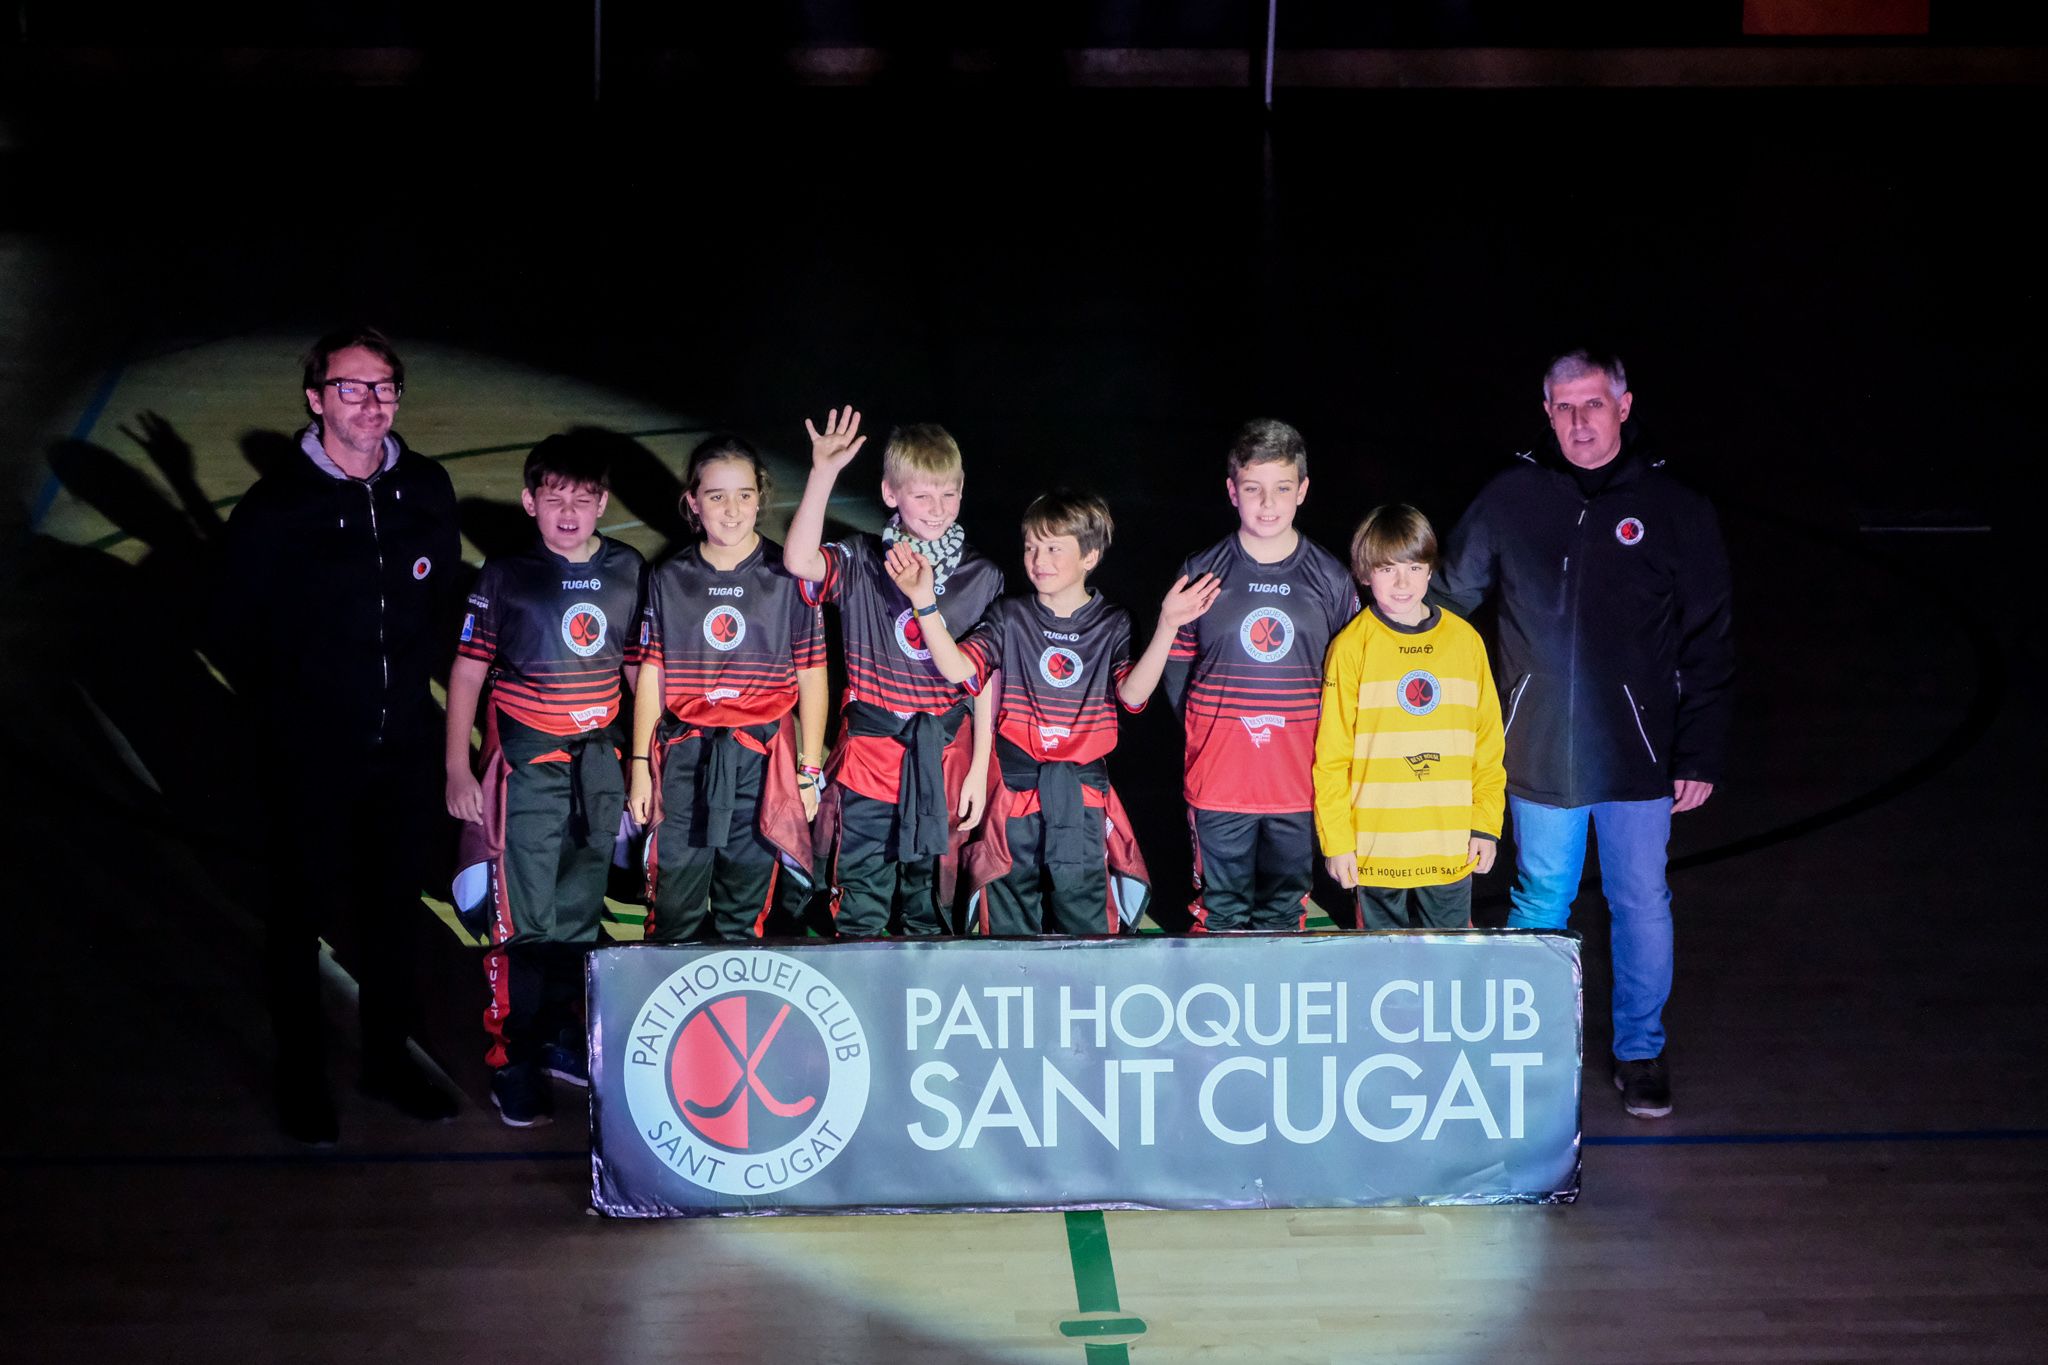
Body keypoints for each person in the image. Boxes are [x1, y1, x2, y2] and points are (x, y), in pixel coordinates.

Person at [1436, 348, 1734, 1119]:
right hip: (1538, 749)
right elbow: (1443, 604)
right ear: (1546, 412)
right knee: (1541, 895)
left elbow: (1709, 635)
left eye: (1593, 404)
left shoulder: (1674, 505)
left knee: (1640, 899)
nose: (1579, 421)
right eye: (1564, 407)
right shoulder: (1510, 497)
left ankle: (1640, 1050)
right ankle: (1530, 1046)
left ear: (1624, 406)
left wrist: (1700, 747)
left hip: (1640, 755)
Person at [219, 326, 461, 1144]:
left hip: (403, 749)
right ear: (315, 398)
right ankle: (302, 1077)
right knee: (299, 919)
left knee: (393, 911)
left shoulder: (426, 487)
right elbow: (232, 627)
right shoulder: (275, 508)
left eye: (384, 387)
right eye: (351, 387)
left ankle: (386, 1060)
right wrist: (294, 715)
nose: (371, 403)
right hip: (310, 756)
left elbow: (442, 602)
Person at [887, 490, 1220, 933]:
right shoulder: (1009, 616)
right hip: (1014, 798)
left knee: (1086, 930)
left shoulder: (1113, 622)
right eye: (1031, 547)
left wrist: (1168, 625)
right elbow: (959, 670)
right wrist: (924, 604)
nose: (1038, 560)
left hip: (1082, 801)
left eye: (1053, 548)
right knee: (1008, 929)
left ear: (1089, 557)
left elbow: (1133, 696)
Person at [444, 435, 645, 1128]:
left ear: (603, 504)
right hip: (527, 768)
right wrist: (457, 767)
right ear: (529, 501)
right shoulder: (506, 574)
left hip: (599, 768)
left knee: (579, 915)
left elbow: (635, 669)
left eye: (583, 499)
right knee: (523, 923)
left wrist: (647, 760)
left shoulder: (627, 568)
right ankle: (513, 1060)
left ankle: (561, 1035)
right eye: (554, 498)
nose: (568, 512)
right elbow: (468, 671)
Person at [782, 408, 1005, 937]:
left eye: (949, 494)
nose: (937, 508)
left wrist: (979, 767)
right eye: (922, 496)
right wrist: (823, 474)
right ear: (890, 493)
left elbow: (984, 682)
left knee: (930, 910)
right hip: (870, 763)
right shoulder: (861, 559)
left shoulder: (982, 575)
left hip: (944, 764)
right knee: (859, 908)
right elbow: (798, 561)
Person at [624, 435, 828, 945]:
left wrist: (809, 771)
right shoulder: (669, 576)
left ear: (760, 498)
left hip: (763, 762)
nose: (732, 510)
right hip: (684, 758)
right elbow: (652, 673)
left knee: (745, 913)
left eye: (744, 495)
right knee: (673, 912)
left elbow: (812, 674)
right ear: (693, 502)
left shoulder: (789, 575)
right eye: (716, 496)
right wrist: (641, 765)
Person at [1162, 419, 1359, 932]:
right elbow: (1176, 672)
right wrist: (1213, 731)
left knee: (1284, 914)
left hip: (1300, 782)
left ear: (1303, 491)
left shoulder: (1331, 578)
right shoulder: (1202, 570)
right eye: (1253, 489)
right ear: (1232, 491)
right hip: (1220, 779)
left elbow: (1348, 683)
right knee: (1221, 915)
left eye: (1282, 488)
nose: (1268, 504)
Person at [1313, 504, 1505, 930]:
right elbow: (1331, 757)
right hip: (1375, 851)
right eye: (1388, 569)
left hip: (1450, 846)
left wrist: (1485, 824)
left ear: (1431, 570)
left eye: (1415, 568)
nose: (1403, 583)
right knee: (1383, 964)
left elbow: (1488, 746)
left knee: (1452, 962)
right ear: (1365, 573)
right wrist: (1337, 840)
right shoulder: (1351, 647)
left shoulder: (1465, 642)